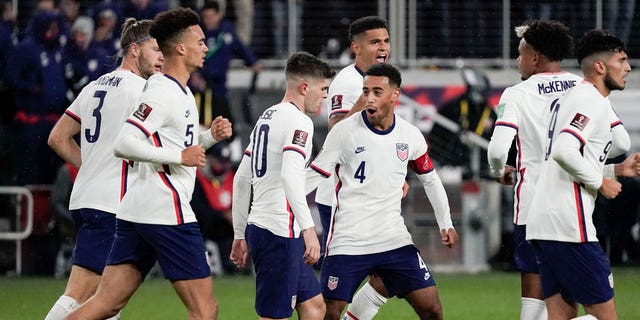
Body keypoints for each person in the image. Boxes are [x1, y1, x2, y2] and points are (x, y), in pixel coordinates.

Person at [66, 8, 232, 320]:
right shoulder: (162, 91)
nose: (206, 48)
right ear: (180, 47)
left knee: (104, 305)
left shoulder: (178, 90)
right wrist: (179, 157)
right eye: (200, 41)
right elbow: (125, 143)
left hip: (136, 209)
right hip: (166, 208)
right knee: (205, 310)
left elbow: (176, 144)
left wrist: (209, 138)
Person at [306, 63, 457, 320]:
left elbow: (430, 180)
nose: (369, 98)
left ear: (395, 95)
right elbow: (314, 174)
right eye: (366, 92)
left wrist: (446, 222)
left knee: (432, 308)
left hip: (392, 239)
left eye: (377, 92)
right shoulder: (344, 132)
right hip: (348, 240)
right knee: (328, 313)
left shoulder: (410, 135)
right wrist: (283, 199)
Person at [45, 17, 164, 320]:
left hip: (89, 196)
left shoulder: (94, 86)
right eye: (155, 49)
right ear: (135, 50)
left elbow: (58, 137)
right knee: (79, 295)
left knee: (108, 300)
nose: (162, 56)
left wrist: (92, 167)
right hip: (110, 204)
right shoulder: (141, 90)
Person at [527, 30, 639, 320]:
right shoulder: (591, 100)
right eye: (622, 60)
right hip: (569, 227)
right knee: (605, 316)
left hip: (544, 222)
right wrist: (599, 181)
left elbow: (565, 159)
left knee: (560, 315)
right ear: (600, 67)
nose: (628, 67)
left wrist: (614, 169)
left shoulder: (573, 98)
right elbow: (565, 151)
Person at [486, 20, 583, 320]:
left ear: (535, 58)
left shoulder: (516, 94)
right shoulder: (584, 88)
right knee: (567, 297)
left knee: (533, 292)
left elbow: (498, 150)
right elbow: (616, 141)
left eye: (520, 53)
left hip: (532, 207)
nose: (518, 60)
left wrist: (497, 169)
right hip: (573, 206)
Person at [230, 51, 334, 320]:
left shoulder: (268, 116)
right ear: (304, 87)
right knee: (275, 317)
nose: (324, 95)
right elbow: (290, 176)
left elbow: (242, 178)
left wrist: (240, 233)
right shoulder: (300, 122)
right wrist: (310, 231)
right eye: (323, 89)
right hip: (279, 233)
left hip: (266, 228)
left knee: (314, 306)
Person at [314, 16, 393, 319]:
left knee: (387, 276)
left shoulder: (385, 79)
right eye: (375, 42)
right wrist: (368, 95)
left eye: (385, 41)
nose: (383, 47)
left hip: (370, 197)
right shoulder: (347, 82)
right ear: (356, 48)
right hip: (340, 199)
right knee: (335, 294)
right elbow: (336, 131)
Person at [5, 9, 68, 185]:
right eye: (51, 27)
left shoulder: (57, 49)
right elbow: (11, 77)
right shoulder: (26, 47)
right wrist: (32, 88)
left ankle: (46, 211)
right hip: (30, 121)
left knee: (49, 171)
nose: (54, 31)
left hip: (54, 120)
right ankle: (25, 210)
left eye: (57, 27)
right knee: (29, 169)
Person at [192, 0, 260, 131]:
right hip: (202, 87)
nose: (208, 20)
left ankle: (225, 147)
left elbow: (240, 47)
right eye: (205, 17)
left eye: (211, 17)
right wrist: (194, 74)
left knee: (224, 121)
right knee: (201, 123)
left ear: (218, 15)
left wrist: (253, 62)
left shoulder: (226, 31)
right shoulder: (198, 33)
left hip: (220, 86)